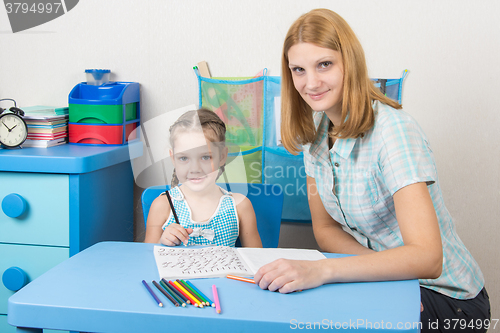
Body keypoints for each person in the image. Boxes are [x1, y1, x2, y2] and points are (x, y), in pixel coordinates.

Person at [253, 8, 490, 332]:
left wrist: (323, 271)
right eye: (299, 69)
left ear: (349, 62)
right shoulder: (315, 138)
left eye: (324, 64)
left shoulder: (393, 131)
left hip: (450, 300)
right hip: (387, 278)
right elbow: (325, 230)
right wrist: (374, 276)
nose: (311, 82)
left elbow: (428, 258)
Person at [144, 109, 262, 248]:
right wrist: (161, 242)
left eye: (205, 157)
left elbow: (256, 260)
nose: (195, 168)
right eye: (184, 158)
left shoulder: (240, 206)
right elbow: (147, 259)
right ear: (173, 158)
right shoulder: (163, 206)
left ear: (222, 156)